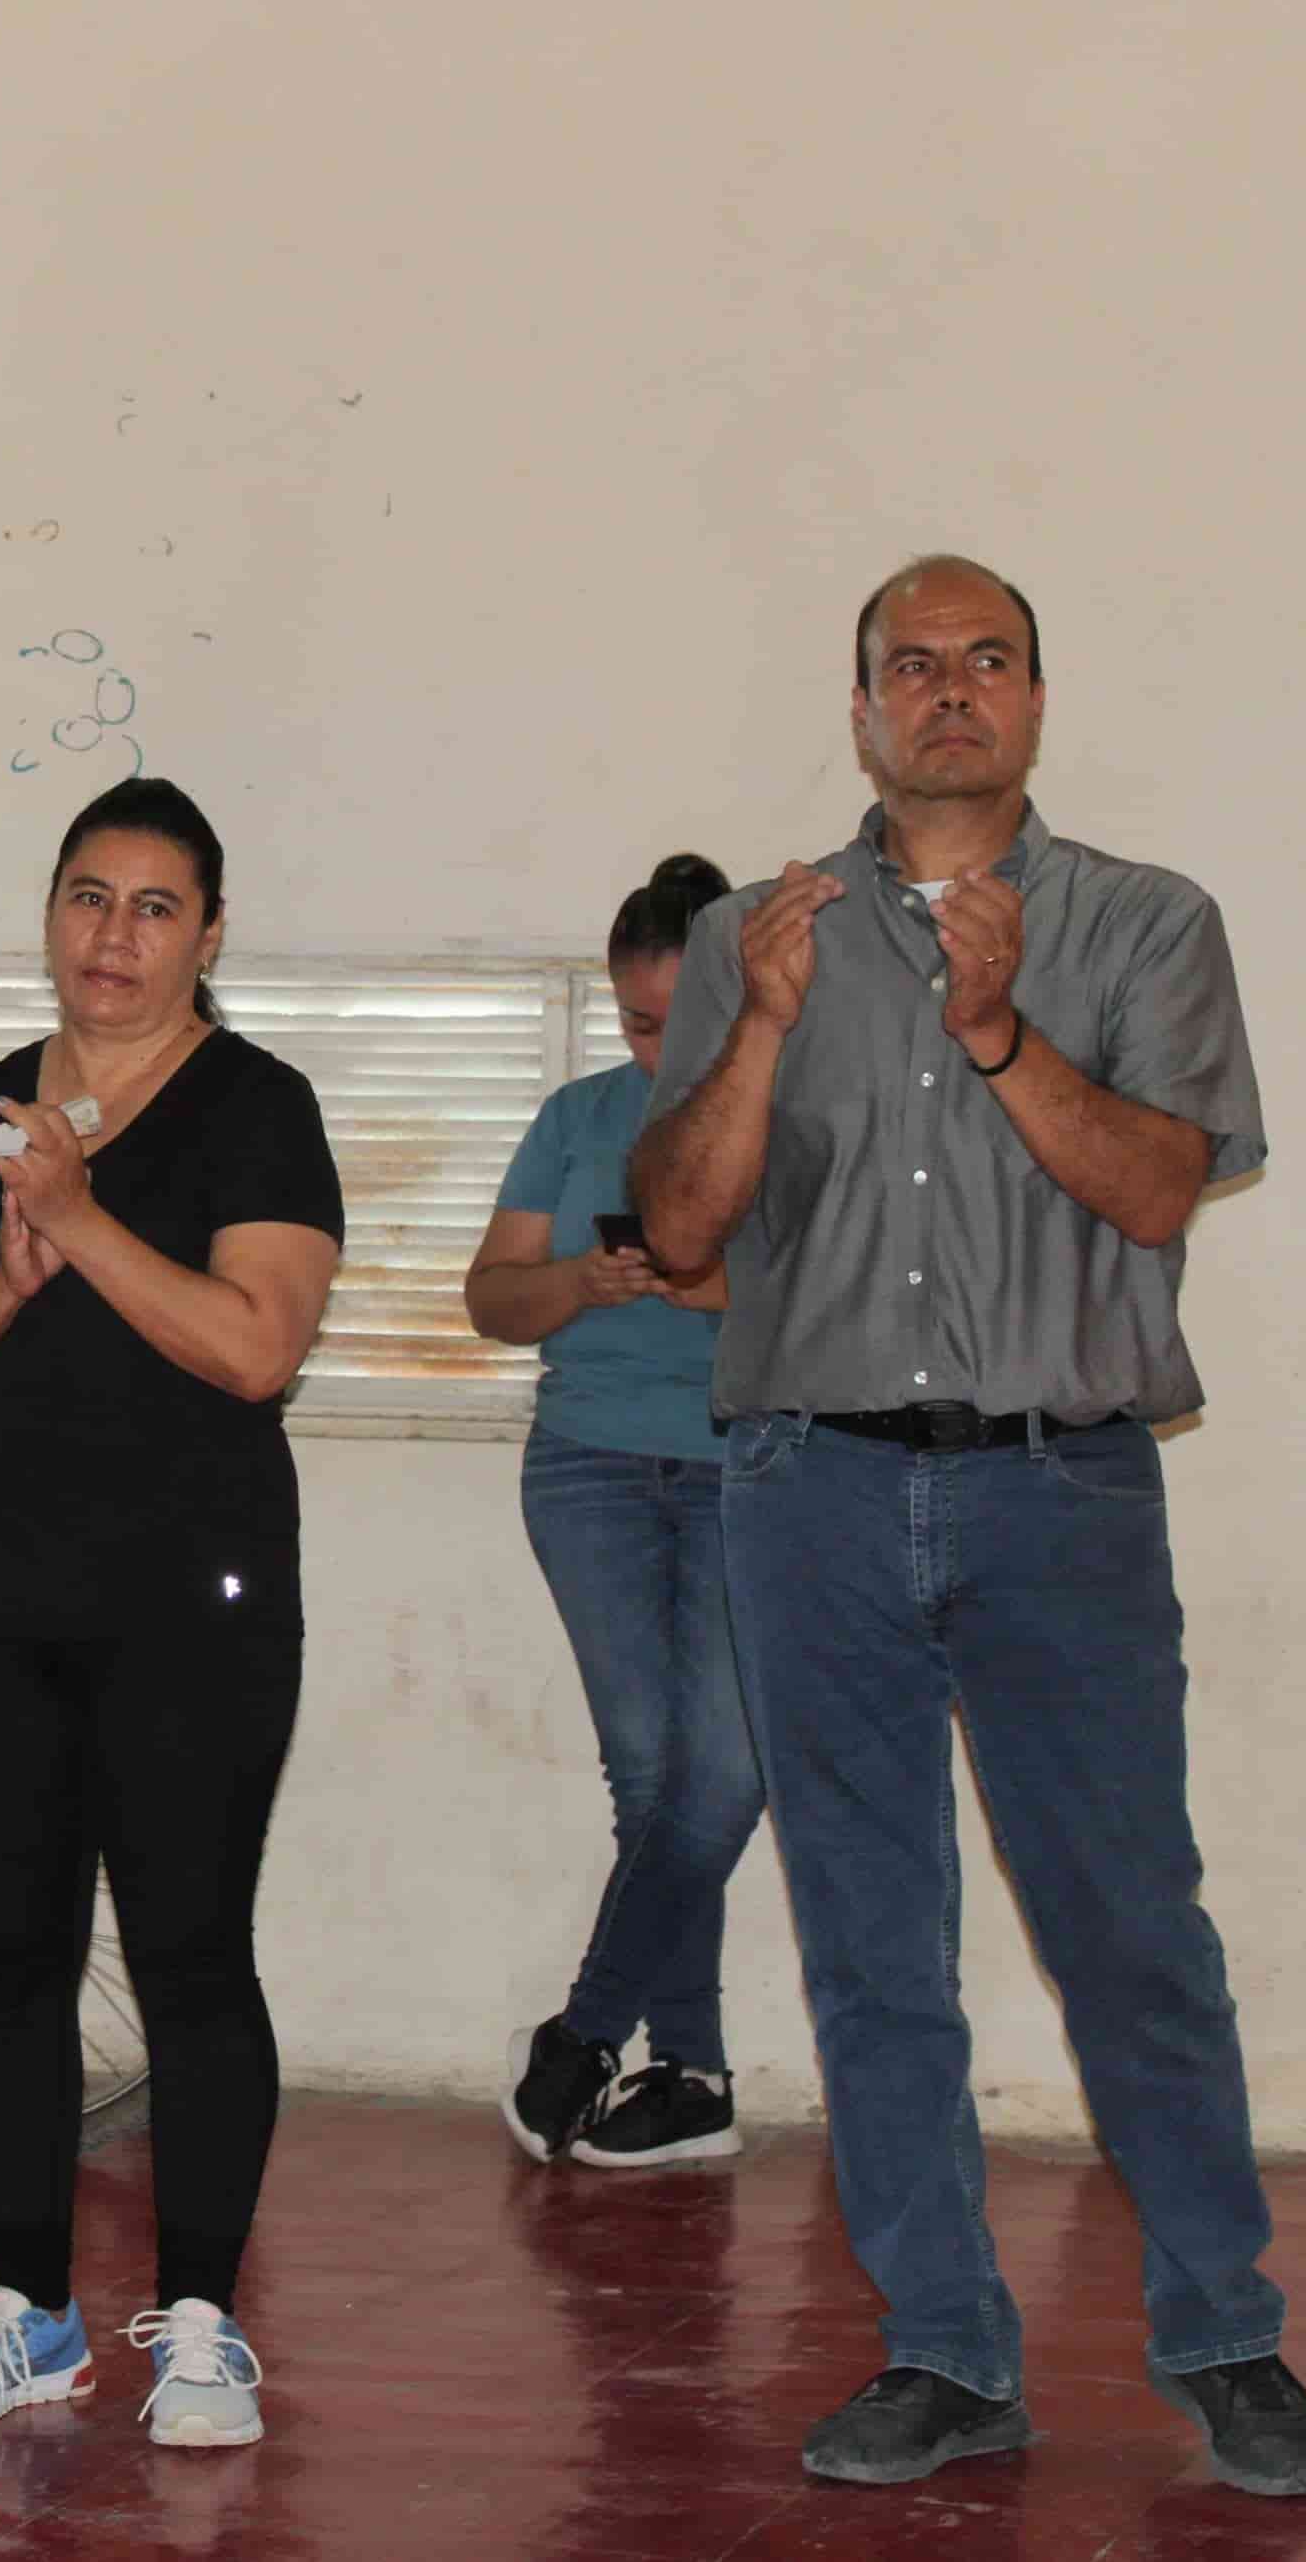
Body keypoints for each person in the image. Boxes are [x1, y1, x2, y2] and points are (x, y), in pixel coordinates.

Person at [632, 557, 1306, 2497]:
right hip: (812, 1489)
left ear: (1035, 697)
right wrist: (762, 1028)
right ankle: (945, 2350)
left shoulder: (1148, 923)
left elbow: (1160, 1188)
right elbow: (679, 1225)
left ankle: (1226, 2337)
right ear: (861, 709)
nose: (950, 691)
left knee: (1130, 1928)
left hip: (1060, 1486)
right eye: (911, 664)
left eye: (987, 661)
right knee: (873, 1947)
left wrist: (1001, 1026)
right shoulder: (753, 934)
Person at [0, 777, 343, 2451]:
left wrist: (73, 1217)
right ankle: (31, 2315)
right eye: (86, 895)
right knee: (10, 1960)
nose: (113, 935)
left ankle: (200, 2323)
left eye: (153, 905)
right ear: (49, 913)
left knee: (192, 1955)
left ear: (209, 934)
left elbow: (255, 1345)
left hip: (196, 1606)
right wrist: (1, 1275)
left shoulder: (258, 1107)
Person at [467, 853, 763, 2170]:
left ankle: (588, 2032)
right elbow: (491, 1299)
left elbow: (850, 1310)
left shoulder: (799, 1114)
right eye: (638, 1023)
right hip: (587, 1463)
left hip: (751, 1467)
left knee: (723, 1777)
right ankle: (689, 2072)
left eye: (683, 1023)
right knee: (649, 1777)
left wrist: (705, 1284)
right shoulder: (575, 1116)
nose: (658, 1051)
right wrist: (583, 1281)